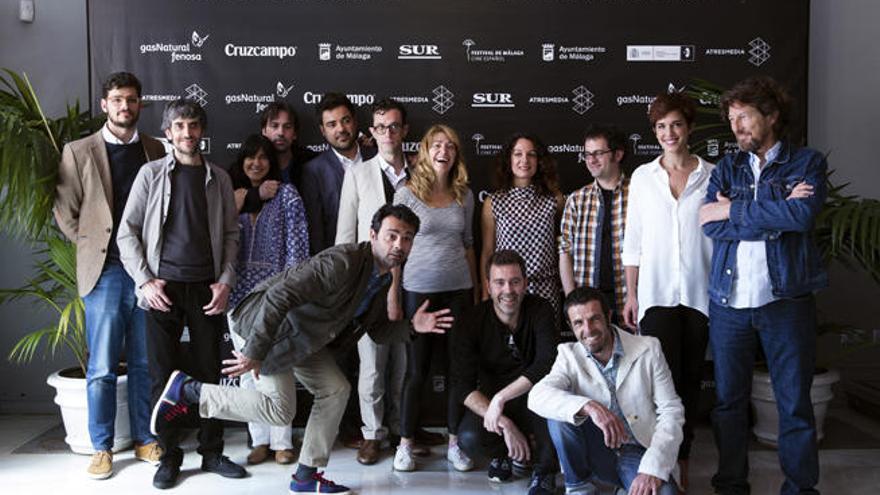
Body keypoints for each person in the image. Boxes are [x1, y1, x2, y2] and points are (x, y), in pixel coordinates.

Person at [150, 204, 454, 495]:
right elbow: (279, 296)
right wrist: (256, 351)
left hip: (303, 337)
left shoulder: (380, 277)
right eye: (392, 235)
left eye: (407, 238)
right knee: (280, 409)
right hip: (266, 327)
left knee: (335, 389)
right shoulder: (343, 261)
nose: (399, 244)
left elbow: (376, 331)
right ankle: (189, 391)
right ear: (373, 235)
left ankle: (307, 475)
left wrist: (414, 326)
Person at [699, 76, 827, 495]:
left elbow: (801, 218)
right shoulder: (728, 168)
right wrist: (775, 211)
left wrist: (732, 210)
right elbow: (708, 225)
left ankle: (800, 488)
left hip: (785, 301)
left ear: (771, 116)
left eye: (745, 117)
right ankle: (732, 484)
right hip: (728, 303)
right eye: (732, 119)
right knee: (728, 404)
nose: (737, 127)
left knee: (793, 404)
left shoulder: (806, 163)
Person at [117, 98, 244, 489]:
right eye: (179, 127)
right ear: (168, 132)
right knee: (163, 375)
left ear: (201, 132)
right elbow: (128, 233)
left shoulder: (219, 178)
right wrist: (144, 281)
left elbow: (230, 235)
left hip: (207, 288)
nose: (186, 133)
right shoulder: (150, 175)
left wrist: (225, 281)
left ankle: (211, 451)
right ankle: (169, 456)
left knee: (209, 373)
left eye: (193, 126)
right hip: (162, 290)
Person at [53, 71, 165, 479]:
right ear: (105, 105)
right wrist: (93, 245)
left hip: (148, 274)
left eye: (131, 99)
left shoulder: (156, 150)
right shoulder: (79, 151)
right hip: (105, 272)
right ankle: (101, 447)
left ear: (140, 104)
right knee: (101, 365)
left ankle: (144, 438)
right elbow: (66, 213)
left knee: (143, 362)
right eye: (117, 99)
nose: (124, 106)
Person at [621, 91, 714, 490]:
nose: (668, 133)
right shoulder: (643, 177)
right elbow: (634, 241)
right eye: (660, 126)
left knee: (690, 381)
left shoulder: (713, 175)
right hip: (655, 295)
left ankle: (683, 456)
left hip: (700, 294)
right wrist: (631, 293)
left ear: (689, 127)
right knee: (659, 384)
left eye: (675, 124)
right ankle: (660, 459)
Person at [529, 287, 684, 495]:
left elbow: (671, 411)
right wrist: (588, 407)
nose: (588, 329)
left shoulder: (649, 348)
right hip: (595, 450)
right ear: (570, 326)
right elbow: (537, 396)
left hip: (637, 451)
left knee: (666, 494)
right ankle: (578, 487)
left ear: (608, 316)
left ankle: (622, 487)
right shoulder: (568, 355)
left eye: (594, 319)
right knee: (559, 414)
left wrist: (652, 469)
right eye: (578, 323)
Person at [392, 124, 479, 472]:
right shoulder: (406, 194)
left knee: (459, 371)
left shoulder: (465, 195)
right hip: (418, 293)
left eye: (451, 147)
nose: (444, 151)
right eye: (437, 145)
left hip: (458, 291)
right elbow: (395, 250)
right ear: (425, 151)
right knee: (416, 371)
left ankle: (455, 443)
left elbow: (469, 245)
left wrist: (475, 291)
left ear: (456, 154)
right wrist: (394, 295)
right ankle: (405, 444)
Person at [335, 98, 412, 465]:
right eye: (380, 127)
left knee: (404, 358)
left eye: (394, 126)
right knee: (371, 363)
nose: (387, 133)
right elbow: (344, 238)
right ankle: (372, 433)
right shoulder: (358, 173)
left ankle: (400, 428)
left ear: (405, 131)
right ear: (372, 131)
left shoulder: (421, 173)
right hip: (370, 285)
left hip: (414, 282)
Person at [228, 134, 310, 465]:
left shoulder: (287, 195)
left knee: (276, 366)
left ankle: (282, 440)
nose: (256, 163)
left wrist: (290, 293)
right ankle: (259, 440)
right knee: (245, 370)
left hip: (274, 294)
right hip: (236, 295)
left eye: (263, 158)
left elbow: (298, 247)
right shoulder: (231, 196)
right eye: (250, 157)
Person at [452, 250, 559, 495]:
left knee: (555, 417)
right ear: (488, 286)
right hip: (496, 402)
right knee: (468, 436)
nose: (508, 290)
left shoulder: (541, 309)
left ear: (525, 284)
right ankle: (504, 454)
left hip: (536, 395)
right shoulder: (471, 320)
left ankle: (544, 470)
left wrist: (501, 398)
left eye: (515, 281)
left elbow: (546, 363)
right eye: (500, 282)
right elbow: (462, 384)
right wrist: (503, 421)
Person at [480, 133, 564, 319]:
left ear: (539, 160)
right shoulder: (493, 202)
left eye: (531, 154)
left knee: (546, 346)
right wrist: (486, 293)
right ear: (509, 159)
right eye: (518, 154)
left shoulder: (554, 199)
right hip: (506, 291)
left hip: (545, 290)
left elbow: (563, 246)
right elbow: (487, 251)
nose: (524, 160)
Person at [559, 125, 630, 326]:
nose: (591, 160)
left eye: (598, 153)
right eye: (588, 154)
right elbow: (565, 251)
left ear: (617, 154)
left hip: (630, 301)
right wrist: (572, 300)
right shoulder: (576, 200)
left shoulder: (639, 193)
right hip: (587, 307)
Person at [300, 92, 376, 255]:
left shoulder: (377, 158)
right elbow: (316, 231)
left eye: (346, 121)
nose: (341, 129)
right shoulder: (313, 171)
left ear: (355, 121)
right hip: (337, 263)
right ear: (322, 130)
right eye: (332, 124)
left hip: (379, 261)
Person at [239, 101, 318, 214]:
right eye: (274, 126)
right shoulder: (247, 166)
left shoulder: (311, 162)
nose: (281, 132)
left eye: (287, 127)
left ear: (295, 133)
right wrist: (257, 194)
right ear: (264, 131)